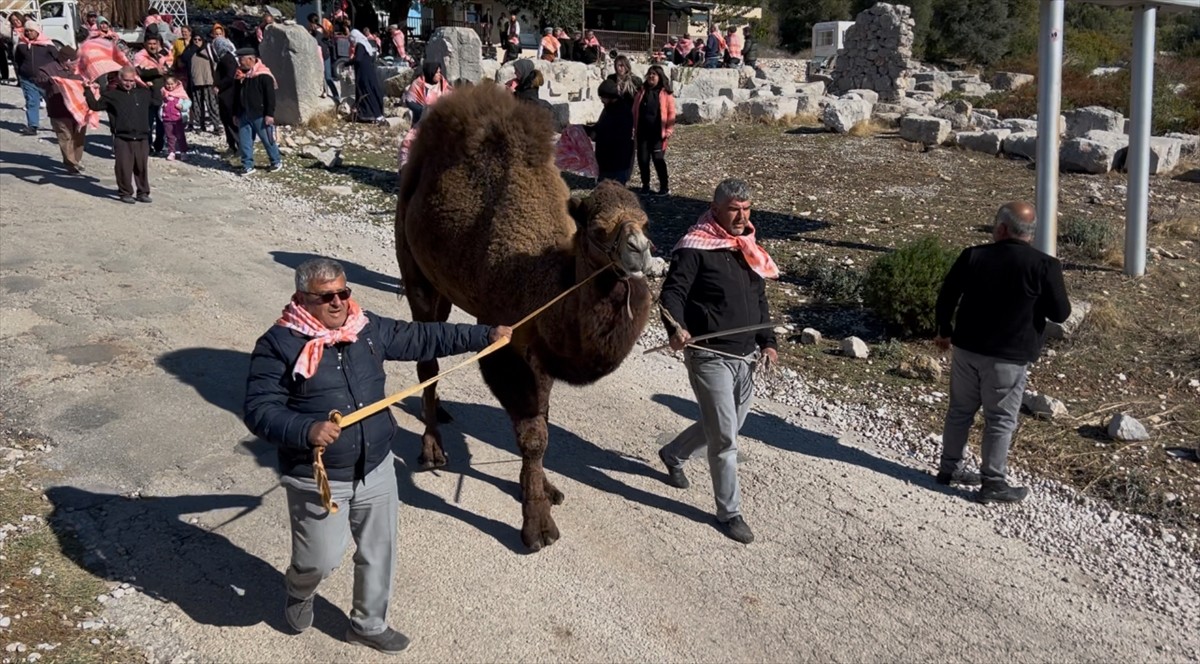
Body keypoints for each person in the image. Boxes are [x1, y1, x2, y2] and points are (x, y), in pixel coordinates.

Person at [243, 258, 512, 654]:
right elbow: (259, 409)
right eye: (326, 297)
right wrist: (307, 430)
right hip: (319, 474)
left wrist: (484, 335)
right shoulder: (278, 345)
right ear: (302, 298)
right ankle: (299, 588)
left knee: (378, 551)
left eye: (343, 293)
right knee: (320, 559)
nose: (338, 303)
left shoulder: (366, 329)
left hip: (376, 467)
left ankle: (368, 624)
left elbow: (423, 337)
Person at [657, 178, 779, 544]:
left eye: (747, 209)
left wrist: (768, 342)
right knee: (725, 437)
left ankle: (673, 453)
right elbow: (672, 295)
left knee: (728, 425)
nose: (742, 216)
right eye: (734, 210)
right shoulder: (694, 247)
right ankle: (730, 513)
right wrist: (675, 329)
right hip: (709, 355)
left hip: (745, 356)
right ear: (715, 209)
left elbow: (760, 301)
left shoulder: (748, 247)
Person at [934, 202, 1071, 504]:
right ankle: (993, 482)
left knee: (959, 411)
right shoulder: (1044, 265)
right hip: (1008, 358)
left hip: (967, 349)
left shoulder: (974, 255)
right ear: (1030, 234)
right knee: (999, 420)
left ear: (1002, 228)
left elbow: (946, 296)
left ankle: (949, 469)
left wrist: (944, 330)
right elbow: (1061, 313)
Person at [85, 66, 153, 204]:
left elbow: (157, 100)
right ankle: (125, 192)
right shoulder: (111, 95)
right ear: (119, 79)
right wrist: (87, 90)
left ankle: (143, 192)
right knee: (123, 167)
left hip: (142, 137)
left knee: (141, 167)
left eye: (131, 80)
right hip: (122, 137)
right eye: (125, 80)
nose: (128, 83)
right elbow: (95, 106)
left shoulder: (144, 93)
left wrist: (154, 83)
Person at [232, 47, 281, 175]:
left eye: (241, 59)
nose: (239, 62)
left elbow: (270, 97)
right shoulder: (240, 75)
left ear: (251, 59)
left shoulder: (264, 76)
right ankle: (247, 164)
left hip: (260, 114)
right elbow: (237, 95)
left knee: (267, 140)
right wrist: (236, 113)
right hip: (244, 113)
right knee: (245, 141)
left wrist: (269, 114)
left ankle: (275, 161)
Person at [38, 45, 86, 173]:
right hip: (59, 109)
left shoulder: (80, 70)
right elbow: (39, 80)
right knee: (65, 136)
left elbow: (88, 81)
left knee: (78, 136)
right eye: (74, 62)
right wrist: (49, 81)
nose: (76, 65)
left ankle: (76, 159)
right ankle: (71, 163)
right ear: (66, 61)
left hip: (79, 110)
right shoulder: (48, 69)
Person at [632, 65, 674, 196]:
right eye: (649, 74)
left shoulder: (666, 94)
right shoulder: (641, 91)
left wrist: (668, 130)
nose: (651, 76)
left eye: (654, 74)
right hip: (642, 133)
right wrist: (633, 127)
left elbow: (672, 113)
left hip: (658, 135)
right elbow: (634, 110)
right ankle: (645, 185)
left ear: (659, 77)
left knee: (658, 160)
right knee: (643, 160)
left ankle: (664, 187)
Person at [14, 19, 61, 135]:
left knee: (52, 103)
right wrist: (21, 73)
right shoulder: (21, 45)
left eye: (31, 31)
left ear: (37, 31)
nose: (29, 33)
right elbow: (18, 60)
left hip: (45, 80)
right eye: (27, 31)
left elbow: (58, 60)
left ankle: (58, 125)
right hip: (27, 79)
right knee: (31, 102)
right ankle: (32, 126)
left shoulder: (47, 45)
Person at [589, 78, 634, 184]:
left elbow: (617, 136)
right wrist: (584, 129)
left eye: (602, 97)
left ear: (609, 96)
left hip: (618, 164)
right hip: (605, 163)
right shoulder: (607, 109)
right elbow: (599, 127)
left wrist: (596, 135)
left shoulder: (623, 112)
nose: (601, 100)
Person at [134, 35, 171, 154]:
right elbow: (138, 72)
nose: (152, 46)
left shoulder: (161, 56)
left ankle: (159, 145)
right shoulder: (140, 56)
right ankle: (148, 146)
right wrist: (156, 71)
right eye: (150, 44)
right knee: (147, 124)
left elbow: (169, 70)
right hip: (147, 96)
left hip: (161, 94)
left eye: (154, 44)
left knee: (161, 123)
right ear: (145, 44)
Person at [212, 28, 240, 153]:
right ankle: (232, 145)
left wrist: (219, 86)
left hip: (228, 94)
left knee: (230, 121)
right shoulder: (224, 57)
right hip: (226, 94)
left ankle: (237, 147)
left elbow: (230, 76)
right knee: (226, 120)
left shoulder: (227, 59)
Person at [348, 29, 384, 123]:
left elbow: (358, 59)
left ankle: (370, 114)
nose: (351, 42)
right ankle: (377, 113)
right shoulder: (365, 43)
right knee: (372, 90)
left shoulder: (360, 45)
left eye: (351, 39)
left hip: (363, 73)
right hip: (370, 72)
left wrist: (348, 63)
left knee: (366, 91)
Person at [308, 14, 340, 103]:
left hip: (325, 56)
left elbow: (323, 37)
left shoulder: (321, 30)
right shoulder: (312, 31)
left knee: (328, 77)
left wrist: (314, 31)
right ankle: (325, 92)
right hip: (318, 56)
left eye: (310, 23)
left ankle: (336, 96)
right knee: (321, 76)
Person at [160, 75, 190, 160]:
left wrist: (182, 106)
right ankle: (171, 152)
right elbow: (161, 103)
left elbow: (188, 102)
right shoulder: (163, 92)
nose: (170, 86)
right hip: (167, 118)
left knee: (180, 136)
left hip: (178, 119)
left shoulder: (180, 92)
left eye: (172, 84)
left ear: (176, 84)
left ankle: (183, 151)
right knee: (169, 136)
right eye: (168, 84)